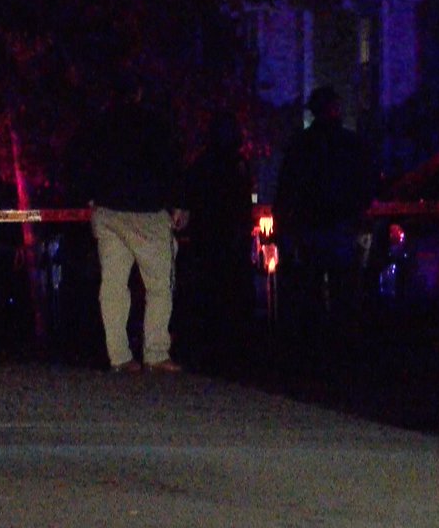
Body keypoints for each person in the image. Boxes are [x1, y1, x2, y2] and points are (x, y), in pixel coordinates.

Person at [76, 73, 188, 373]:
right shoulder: (155, 124)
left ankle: (119, 355)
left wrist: (89, 195)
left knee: (113, 284)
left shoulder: (100, 124)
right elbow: (170, 163)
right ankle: (155, 351)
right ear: (139, 93)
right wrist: (178, 203)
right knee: (159, 285)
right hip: (146, 211)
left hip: (108, 210)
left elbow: (83, 160)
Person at [272, 86, 377, 374]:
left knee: (312, 288)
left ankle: (314, 350)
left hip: (312, 226)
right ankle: (344, 349)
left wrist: (285, 223)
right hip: (340, 225)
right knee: (345, 290)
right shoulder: (349, 144)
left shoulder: (303, 144)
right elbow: (367, 183)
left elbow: (287, 187)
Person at [177, 111, 254, 376]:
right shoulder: (236, 165)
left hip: (207, 241)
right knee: (229, 298)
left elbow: (189, 199)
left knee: (208, 297)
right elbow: (242, 206)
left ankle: (210, 351)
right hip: (227, 241)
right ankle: (231, 353)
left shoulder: (201, 165)